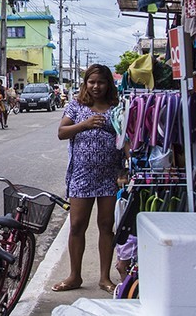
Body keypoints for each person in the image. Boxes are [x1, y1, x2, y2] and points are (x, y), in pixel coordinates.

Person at [53, 64, 123, 294]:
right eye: (91, 82)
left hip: (109, 176)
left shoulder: (116, 108)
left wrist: (127, 169)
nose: (95, 86)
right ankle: (74, 276)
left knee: (105, 225)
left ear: (108, 85)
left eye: (100, 82)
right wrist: (84, 124)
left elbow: (126, 140)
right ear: (85, 83)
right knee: (76, 226)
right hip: (81, 176)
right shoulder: (76, 106)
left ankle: (104, 278)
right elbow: (62, 133)